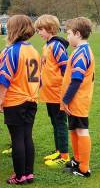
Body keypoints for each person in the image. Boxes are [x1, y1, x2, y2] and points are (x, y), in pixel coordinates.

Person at [0, 15, 40, 184]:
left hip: (15, 100)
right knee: (27, 136)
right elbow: (38, 78)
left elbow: (4, 78)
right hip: (32, 99)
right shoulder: (34, 50)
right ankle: (29, 173)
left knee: (17, 138)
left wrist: (0, 99)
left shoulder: (11, 51)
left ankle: (19, 176)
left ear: (14, 29)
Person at [34, 14, 70, 167]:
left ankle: (64, 155)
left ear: (50, 28)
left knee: (60, 123)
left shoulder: (56, 46)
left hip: (57, 93)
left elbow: (65, 69)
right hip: (49, 93)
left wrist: (63, 91)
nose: (39, 32)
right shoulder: (47, 45)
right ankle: (58, 150)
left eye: (41, 29)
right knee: (55, 122)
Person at [62, 17, 94, 177]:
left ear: (78, 34)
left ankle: (84, 168)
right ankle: (78, 159)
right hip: (75, 100)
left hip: (78, 99)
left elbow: (76, 80)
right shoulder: (79, 51)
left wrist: (65, 99)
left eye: (68, 34)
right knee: (74, 129)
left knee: (81, 131)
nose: (67, 37)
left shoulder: (82, 53)